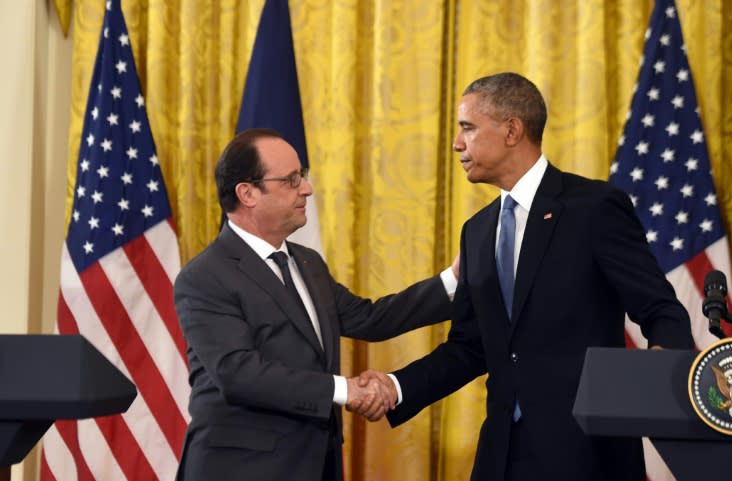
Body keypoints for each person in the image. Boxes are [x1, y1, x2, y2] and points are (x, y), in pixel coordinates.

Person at [363, 72, 694, 481]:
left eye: (467, 128)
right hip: (502, 455)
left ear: (511, 130)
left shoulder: (592, 207)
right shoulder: (478, 231)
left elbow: (660, 309)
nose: (456, 143)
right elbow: (469, 347)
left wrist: (661, 376)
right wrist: (397, 387)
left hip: (587, 453)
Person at [173, 128, 457, 481]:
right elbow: (239, 373)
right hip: (242, 470)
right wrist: (344, 389)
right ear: (247, 193)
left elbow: (371, 318)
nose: (306, 189)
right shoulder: (205, 276)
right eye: (292, 180)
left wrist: (453, 281)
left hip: (316, 465)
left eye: (302, 177)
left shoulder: (307, 263)